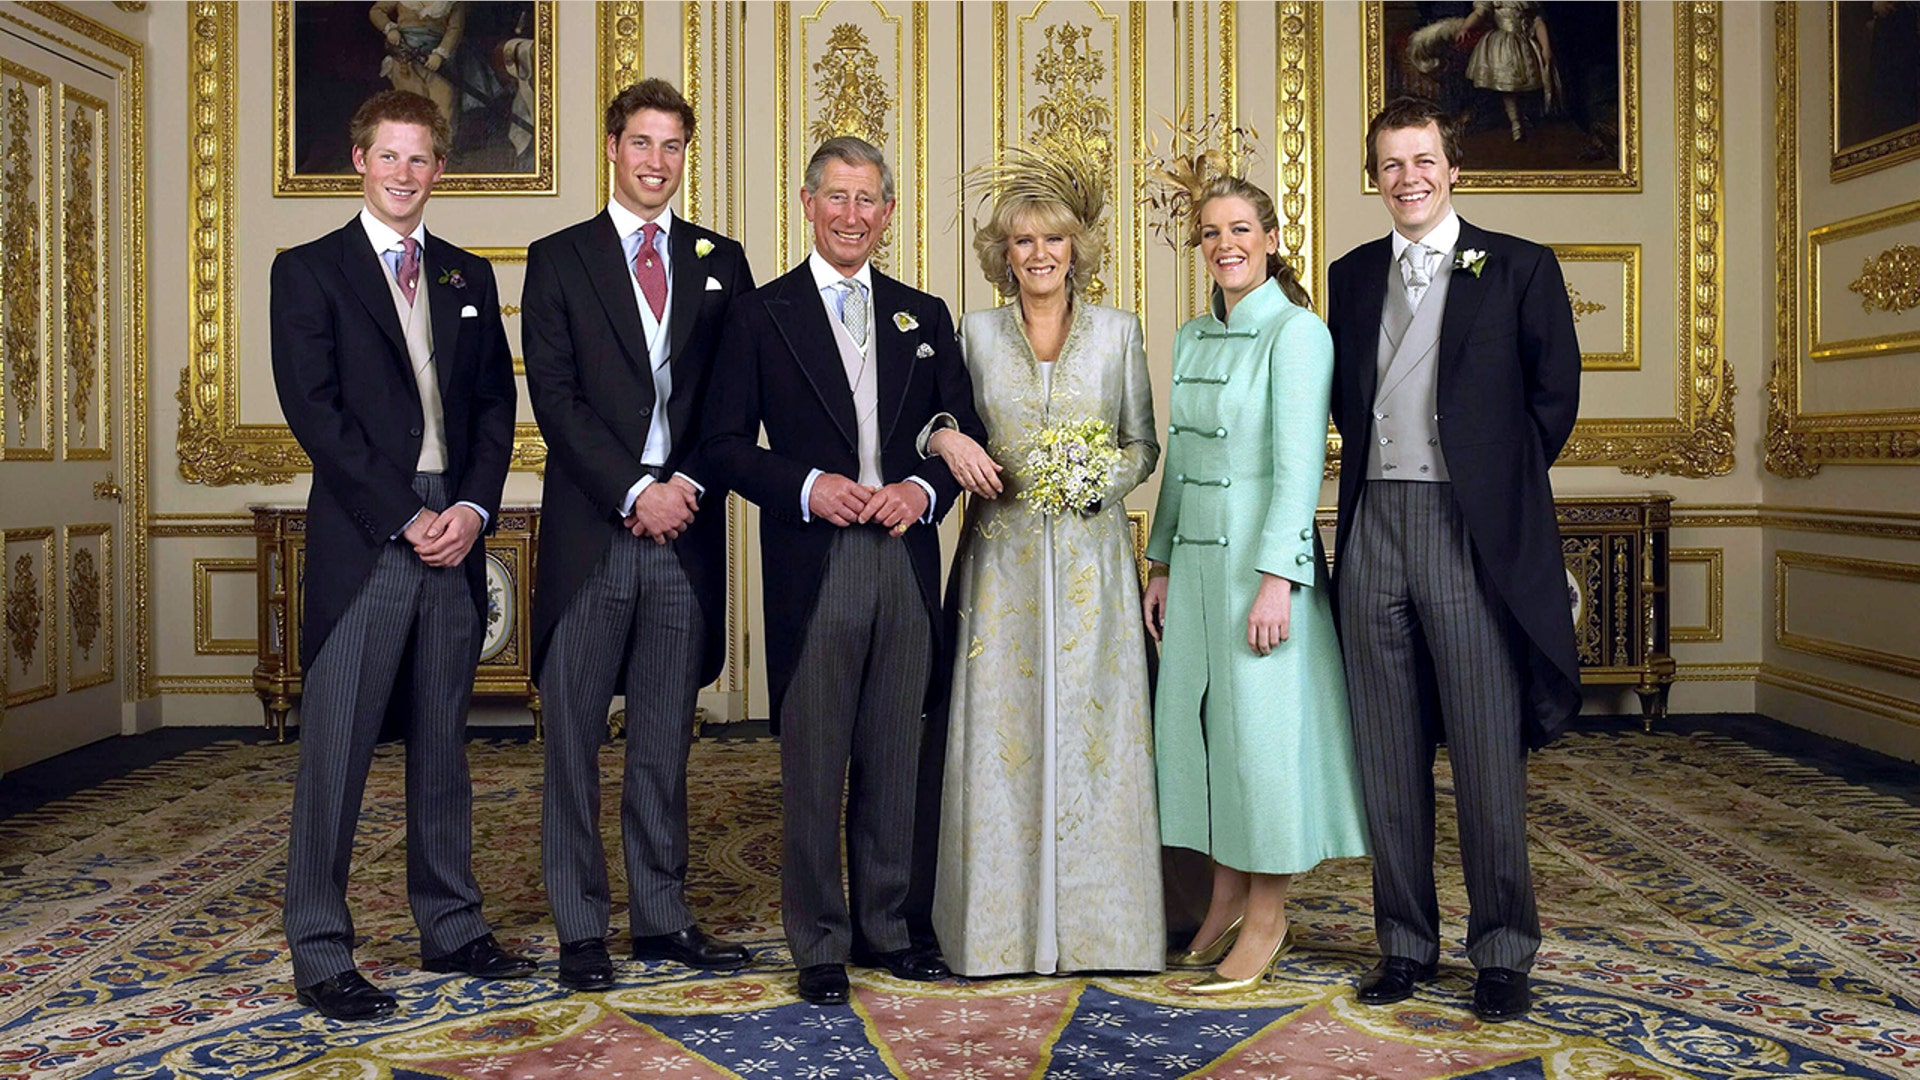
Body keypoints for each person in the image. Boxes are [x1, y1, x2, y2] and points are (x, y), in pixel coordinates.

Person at [702, 136, 987, 1005]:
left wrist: (920, 489)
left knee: (896, 755)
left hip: (903, 558)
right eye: (837, 198)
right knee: (815, 761)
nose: (852, 216)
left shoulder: (924, 314)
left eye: (869, 201)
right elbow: (719, 446)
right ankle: (820, 941)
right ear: (806, 202)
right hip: (813, 561)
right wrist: (807, 485)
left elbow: (962, 429)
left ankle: (888, 928)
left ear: (889, 213)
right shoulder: (760, 314)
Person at [271, 89, 528, 1021]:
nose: (405, 175)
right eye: (390, 157)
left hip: (453, 526)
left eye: (421, 160)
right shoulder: (308, 272)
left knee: (442, 747)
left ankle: (452, 925)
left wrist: (469, 506)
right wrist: (402, 516)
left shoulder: (466, 275)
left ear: (440, 170)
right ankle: (320, 948)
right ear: (358, 160)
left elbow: (496, 406)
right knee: (335, 750)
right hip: (366, 530)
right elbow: (317, 415)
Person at [1327, 97, 1581, 1023]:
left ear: (1453, 166)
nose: (1409, 179)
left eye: (1423, 160)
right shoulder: (1351, 276)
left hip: (1467, 534)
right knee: (1387, 754)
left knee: (1483, 755)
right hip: (1372, 531)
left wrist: (1490, 484)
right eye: (1392, 164)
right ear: (1377, 176)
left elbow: (1553, 399)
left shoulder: (1518, 266)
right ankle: (1404, 944)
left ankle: (1503, 951)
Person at [521, 79, 755, 993]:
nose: (656, 162)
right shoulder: (560, 257)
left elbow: (730, 396)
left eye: (672, 147)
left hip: (686, 532)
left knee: (663, 741)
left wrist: (685, 484)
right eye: (642, 143)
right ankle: (581, 927)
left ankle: (661, 918)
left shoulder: (719, 259)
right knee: (572, 741)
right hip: (595, 532)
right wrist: (632, 491)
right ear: (612, 147)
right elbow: (558, 399)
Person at [917, 149, 1163, 977]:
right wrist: (945, 437)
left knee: (1099, 737)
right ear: (1003, 254)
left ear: (1075, 247)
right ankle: (997, 934)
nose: (1038, 255)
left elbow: (1144, 443)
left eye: (1052, 240)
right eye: (1021, 242)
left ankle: (1105, 934)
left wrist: (1106, 477)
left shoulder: (1120, 333)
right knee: (1003, 737)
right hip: (1003, 567)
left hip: (1095, 569)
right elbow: (935, 418)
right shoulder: (976, 335)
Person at [1141, 175, 1370, 995]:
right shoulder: (1193, 335)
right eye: (1209, 232)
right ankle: (1225, 896)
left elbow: (1298, 467)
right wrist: (1161, 561)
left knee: (1263, 749)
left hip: (1262, 571)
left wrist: (1278, 579)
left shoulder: (1300, 333)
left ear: (1272, 238)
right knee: (1202, 739)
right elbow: (1180, 460)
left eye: (1241, 228)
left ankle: (1268, 917)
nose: (1224, 244)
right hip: (1195, 571)